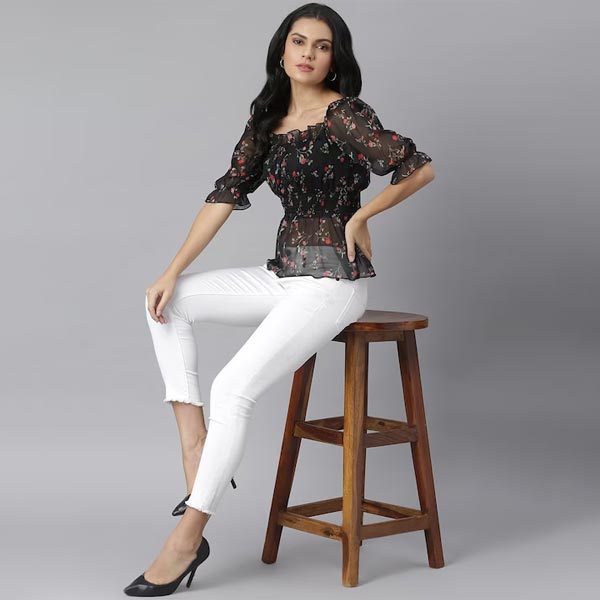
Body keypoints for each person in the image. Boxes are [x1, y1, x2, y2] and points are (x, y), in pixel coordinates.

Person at [123, 2, 435, 596]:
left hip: (333, 282)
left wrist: (362, 216)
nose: (308, 53)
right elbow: (225, 194)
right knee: (168, 300)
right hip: (283, 274)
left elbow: (418, 169)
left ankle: (188, 538)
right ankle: (195, 445)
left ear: (334, 59)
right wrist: (171, 270)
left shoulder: (345, 115)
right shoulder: (267, 120)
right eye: (298, 41)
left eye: (322, 45)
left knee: (232, 388)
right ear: (282, 50)